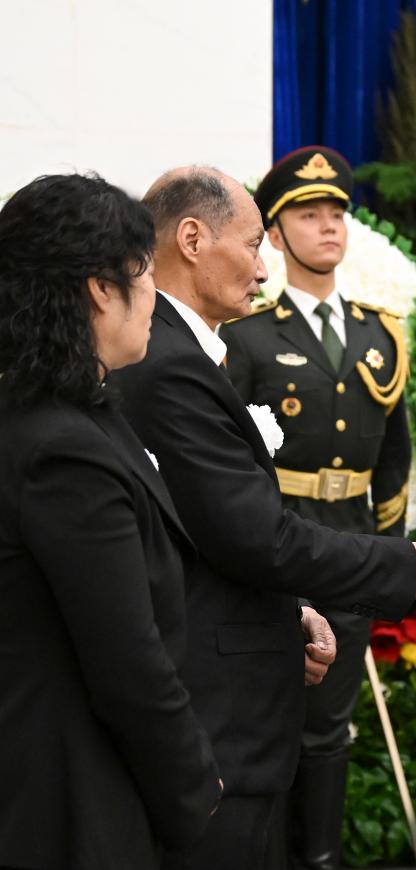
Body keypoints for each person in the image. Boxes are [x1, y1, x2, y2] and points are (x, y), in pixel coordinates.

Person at [109, 166, 416, 870]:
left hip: (283, 611)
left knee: (323, 746)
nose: (263, 263)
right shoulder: (173, 362)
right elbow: (252, 534)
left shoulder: (192, 350)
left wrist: (292, 610)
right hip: (220, 704)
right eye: (253, 243)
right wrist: (411, 565)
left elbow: (223, 528)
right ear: (191, 239)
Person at [0, 174, 222, 869]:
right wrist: (195, 783)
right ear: (101, 287)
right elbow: (126, 659)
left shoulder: (68, 414)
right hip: (70, 800)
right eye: (146, 273)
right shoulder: (61, 447)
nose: (154, 295)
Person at [219, 145, 412, 870]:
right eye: (308, 213)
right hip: (274, 550)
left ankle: (321, 860)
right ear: (274, 232)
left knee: (331, 727)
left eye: (337, 212)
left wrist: (387, 555)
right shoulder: (244, 337)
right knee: (270, 722)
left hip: (352, 549)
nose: (328, 225)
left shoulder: (377, 333)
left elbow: (394, 457)